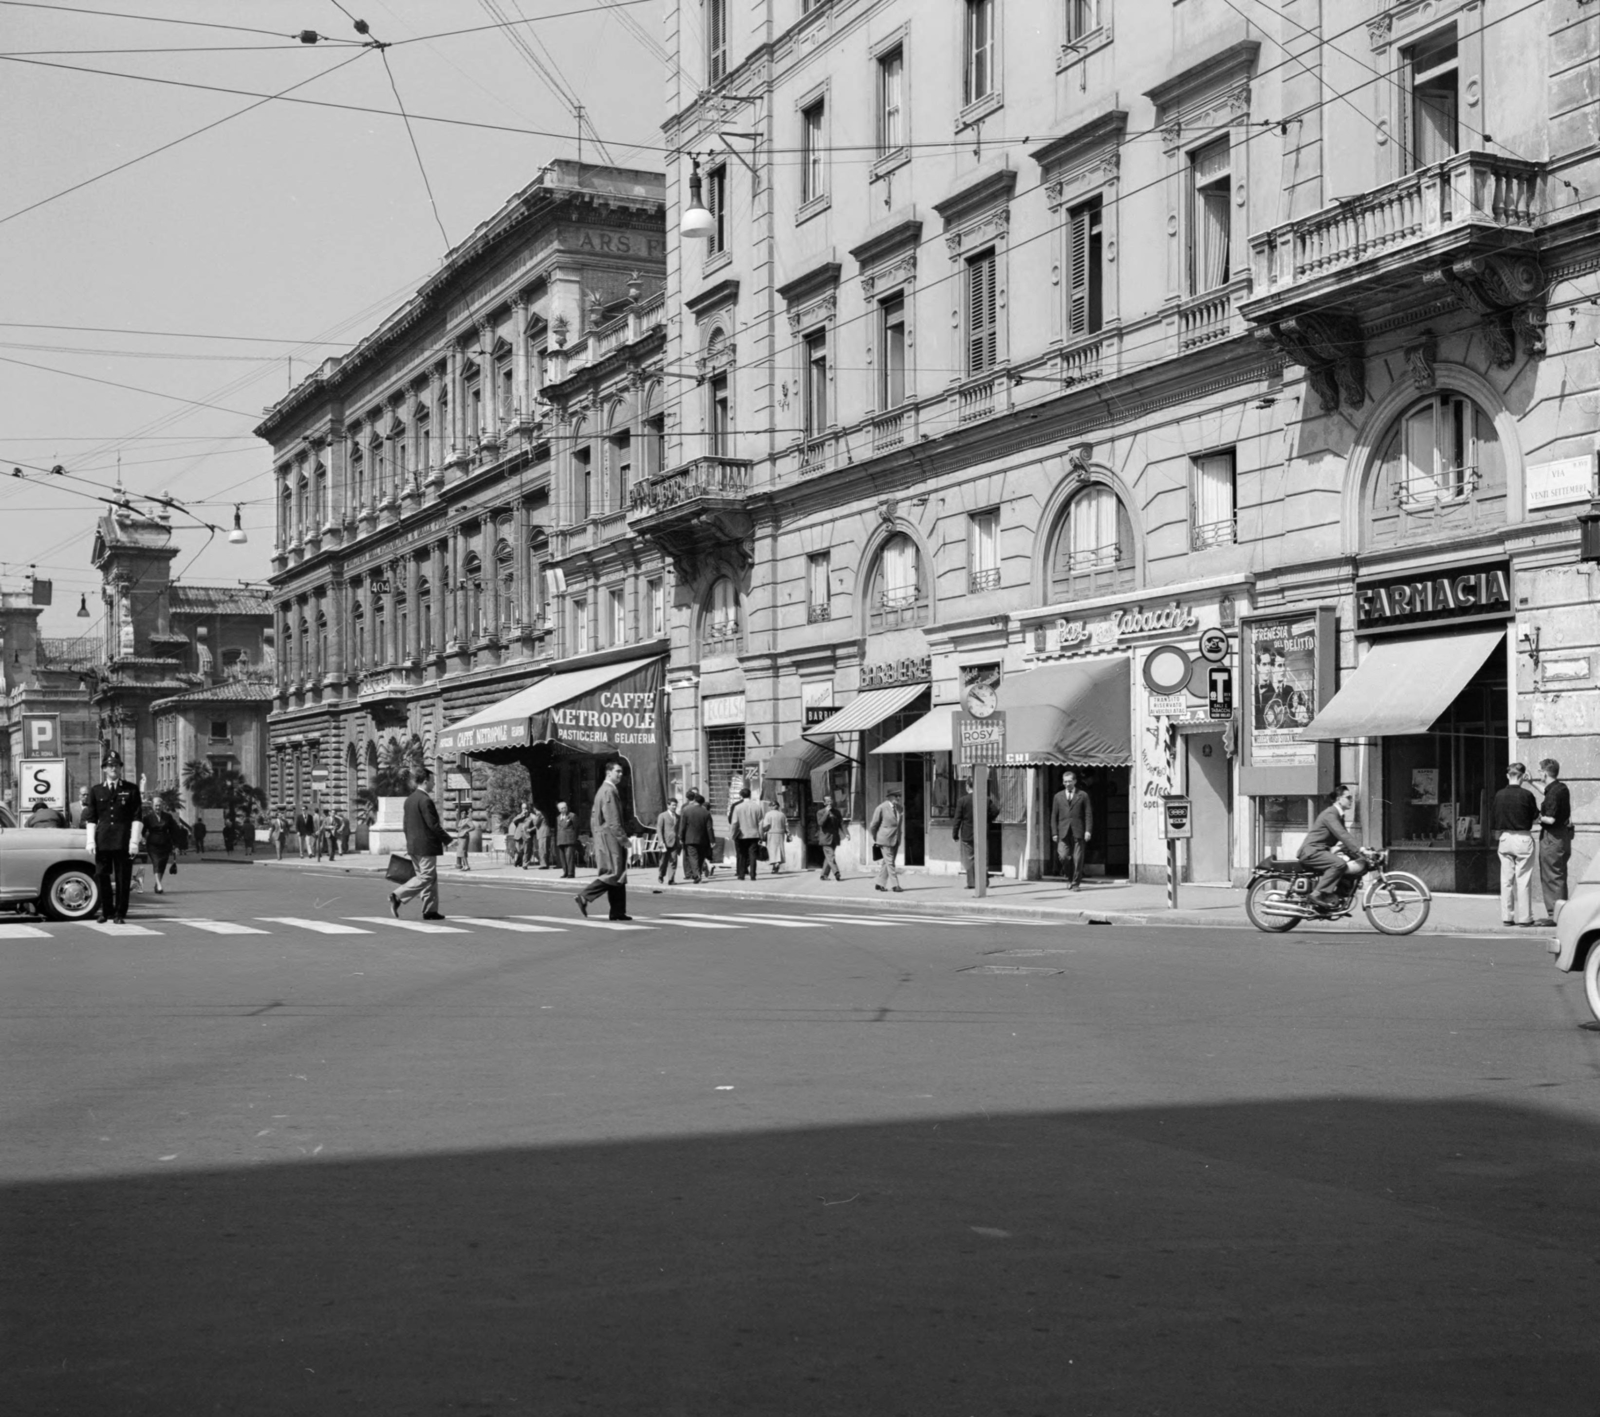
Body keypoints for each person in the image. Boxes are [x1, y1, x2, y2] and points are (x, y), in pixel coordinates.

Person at [83, 751, 143, 925]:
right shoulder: (96, 790)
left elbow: (137, 817)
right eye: (110, 766)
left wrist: (134, 841)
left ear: (120, 768)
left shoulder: (131, 789)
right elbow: (91, 818)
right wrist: (90, 840)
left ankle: (120, 913)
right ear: (104, 769)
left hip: (123, 840)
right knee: (102, 876)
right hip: (103, 840)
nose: (113, 768)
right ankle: (106, 911)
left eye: (116, 765)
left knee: (123, 878)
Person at [389, 767, 451, 920]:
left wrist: (409, 843)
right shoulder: (425, 800)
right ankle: (398, 896)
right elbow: (433, 825)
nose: (434, 784)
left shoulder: (409, 799)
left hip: (414, 846)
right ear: (425, 781)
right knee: (426, 876)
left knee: (430, 878)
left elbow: (405, 825)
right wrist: (448, 839)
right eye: (432, 781)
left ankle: (430, 910)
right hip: (426, 846)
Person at [577, 760, 632, 921]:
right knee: (613, 873)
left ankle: (617, 912)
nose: (621, 774)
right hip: (610, 837)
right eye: (618, 771)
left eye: (621, 772)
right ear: (609, 773)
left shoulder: (605, 790)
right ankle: (584, 896)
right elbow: (613, 820)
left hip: (605, 836)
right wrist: (623, 839)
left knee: (619, 874)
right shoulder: (608, 791)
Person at [1297, 784, 1367, 905]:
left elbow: (1345, 839)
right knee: (1339, 864)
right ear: (1339, 799)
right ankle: (1317, 894)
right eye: (1348, 797)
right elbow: (1343, 835)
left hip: (1320, 851)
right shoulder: (1330, 814)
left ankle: (1337, 896)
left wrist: (1360, 853)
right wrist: (1360, 849)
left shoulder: (1339, 815)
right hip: (1312, 851)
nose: (1351, 800)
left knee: (1348, 862)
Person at [1492, 762, 1541, 927]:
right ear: (1522, 776)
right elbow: (1536, 817)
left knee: (1506, 880)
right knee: (1523, 879)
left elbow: (1495, 818)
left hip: (1505, 838)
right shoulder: (1527, 795)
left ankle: (1507, 917)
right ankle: (1525, 918)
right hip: (1523, 838)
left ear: (1508, 776)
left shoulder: (1499, 794)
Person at [1535, 757, 1572, 927]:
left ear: (1544, 772)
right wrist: (1531, 783)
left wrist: (1536, 817)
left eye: (1539, 771)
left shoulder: (1554, 793)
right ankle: (1560, 912)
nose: (1538, 774)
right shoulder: (1560, 788)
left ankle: (1554, 915)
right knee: (1558, 874)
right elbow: (1547, 792)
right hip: (1562, 835)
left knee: (1551, 876)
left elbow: (1549, 819)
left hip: (1552, 837)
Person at [953, 779, 999, 890]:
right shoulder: (986, 799)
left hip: (967, 834)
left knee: (969, 859)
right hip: (982, 832)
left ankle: (972, 882)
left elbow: (957, 819)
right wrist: (987, 819)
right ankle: (983, 882)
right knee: (982, 857)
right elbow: (995, 811)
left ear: (967, 786)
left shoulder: (962, 801)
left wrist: (955, 833)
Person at [1051, 771, 1093, 891]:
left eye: (1070, 781)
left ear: (1075, 781)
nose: (1067, 783)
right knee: (1063, 856)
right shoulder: (1058, 797)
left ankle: (1075, 883)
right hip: (1063, 831)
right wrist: (1054, 832)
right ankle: (1069, 877)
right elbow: (1054, 816)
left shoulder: (1083, 795)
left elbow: (1088, 814)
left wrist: (1088, 831)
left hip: (1078, 830)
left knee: (1078, 858)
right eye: (1065, 781)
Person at [140, 799, 182, 895]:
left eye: (159, 805)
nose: (158, 807)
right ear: (152, 806)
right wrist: (141, 838)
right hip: (152, 845)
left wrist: (176, 846)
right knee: (156, 862)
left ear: (162, 806)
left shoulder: (168, 817)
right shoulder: (147, 818)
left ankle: (157, 884)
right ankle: (159, 885)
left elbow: (174, 831)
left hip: (165, 844)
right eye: (156, 805)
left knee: (162, 864)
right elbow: (141, 830)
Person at [867, 788, 905, 893]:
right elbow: (873, 825)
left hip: (896, 839)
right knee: (890, 863)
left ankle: (879, 884)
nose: (898, 798)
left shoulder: (900, 808)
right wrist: (876, 837)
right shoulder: (881, 808)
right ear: (890, 797)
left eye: (899, 796)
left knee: (887, 862)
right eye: (896, 796)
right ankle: (895, 885)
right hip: (885, 839)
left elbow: (898, 825)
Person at [730, 787, 765, 881]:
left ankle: (741, 875)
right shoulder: (757, 807)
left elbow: (734, 823)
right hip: (754, 835)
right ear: (750, 795)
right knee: (753, 855)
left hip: (742, 835)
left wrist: (732, 834)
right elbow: (761, 823)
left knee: (742, 855)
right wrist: (761, 835)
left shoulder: (737, 807)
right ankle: (753, 875)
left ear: (741, 796)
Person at [679, 790, 712, 883]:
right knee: (701, 857)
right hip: (703, 839)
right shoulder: (706, 812)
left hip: (690, 838)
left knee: (693, 857)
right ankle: (698, 873)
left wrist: (681, 837)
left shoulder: (686, 810)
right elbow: (709, 828)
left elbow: (683, 826)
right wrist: (712, 840)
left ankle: (697, 875)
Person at [816, 796, 844, 881]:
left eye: (831, 801)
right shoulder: (820, 812)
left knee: (828, 857)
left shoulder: (836, 812)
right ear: (824, 803)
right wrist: (826, 813)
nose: (829, 803)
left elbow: (841, 823)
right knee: (831, 856)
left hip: (834, 838)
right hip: (825, 838)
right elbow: (820, 823)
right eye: (827, 802)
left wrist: (846, 833)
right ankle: (836, 872)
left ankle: (824, 875)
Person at [655, 797, 681, 885]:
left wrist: (679, 840)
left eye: (676, 805)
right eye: (673, 805)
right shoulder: (662, 815)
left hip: (675, 842)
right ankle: (661, 875)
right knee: (663, 861)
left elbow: (678, 829)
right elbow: (659, 829)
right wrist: (661, 841)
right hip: (665, 842)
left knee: (673, 860)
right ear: (668, 805)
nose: (674, 807)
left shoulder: (678, 817)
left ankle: (671, 879)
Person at [761, 799, 788, 874]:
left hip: (771, 834)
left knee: (772, 850)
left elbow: (766, 825)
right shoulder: (782, 815)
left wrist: (762, 831)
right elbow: (786, 826)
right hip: (780, 834)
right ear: (778, 807)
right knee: (780, 849)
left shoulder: (768, 814)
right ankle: (777, 864)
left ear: (771, 807)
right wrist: (788, 834)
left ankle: (774, 865)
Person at [555, 801, 580, 877]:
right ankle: (565, 872)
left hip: (570, 840)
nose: (564, 809)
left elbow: (577, 827)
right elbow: (557, 829)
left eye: (565, 807)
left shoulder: (572, 816)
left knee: (569, 857)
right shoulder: (558, 818)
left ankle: (570, 873)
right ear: (559, 810)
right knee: (562, 858)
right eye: (562, 808)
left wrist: (575, 837)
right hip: (561, 840)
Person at [533, 803, 552, 869]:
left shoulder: (538, 814)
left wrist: (533, 817)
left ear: (535, 808)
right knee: (546, 849)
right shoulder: (543, 813)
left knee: (542, 849)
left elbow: (535, 823)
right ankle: (546, 863)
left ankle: (543, 864)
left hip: (542, 833)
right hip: (545, 833)